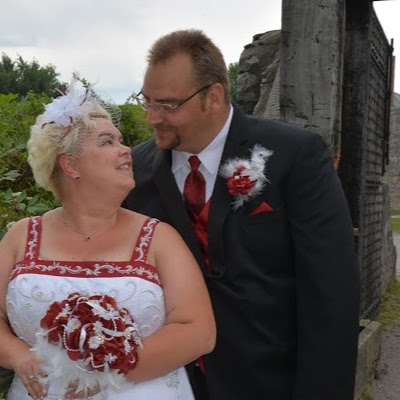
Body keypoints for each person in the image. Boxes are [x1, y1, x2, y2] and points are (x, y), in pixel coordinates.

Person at [123, 29, 361, 400]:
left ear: (213, 97)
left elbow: (331, 290)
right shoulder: (134, 170)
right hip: (165, 384)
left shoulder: (294, 155)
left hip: (268, 382)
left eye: (168, 105)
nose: (153, 117)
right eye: (147, 101)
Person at [0, 76, 216, 400]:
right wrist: (15, 353)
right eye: (107, 142)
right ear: (70, 165)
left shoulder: (159, 238)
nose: (126, 149)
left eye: (121, 140)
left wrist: (112, 370)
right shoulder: (21, 236)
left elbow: (198, 331)